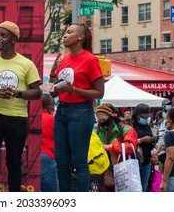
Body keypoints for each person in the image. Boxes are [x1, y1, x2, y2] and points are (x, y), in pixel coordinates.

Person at [0, 21, 41, 192]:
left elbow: (37, 93)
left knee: (14, 163)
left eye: (3, 35)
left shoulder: (26, 64)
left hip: (17, 119)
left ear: (13, 40)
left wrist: (17, 93)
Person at [49, 23, 104, 192]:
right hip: (62, 110)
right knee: (61, 161)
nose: (65, 35)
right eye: (65, 32)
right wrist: (52, 74)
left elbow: (99, 92)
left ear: (80, 37)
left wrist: (73, 89)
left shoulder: (90, 59)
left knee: (79, 162)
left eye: (69, 32)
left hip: (81, 111)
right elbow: (53, 93)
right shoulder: (63, 59)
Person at [95, 103, 138, 192]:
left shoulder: (127, 129)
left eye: (103, 119)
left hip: (123, 170)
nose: (101, 122)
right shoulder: (99, 131)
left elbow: (130, 148)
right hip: (103, 172)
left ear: (112, 117)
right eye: (99, 120)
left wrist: (110, 147)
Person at [132, 103, 156, 192]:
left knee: (144, 186)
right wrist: (141, 140)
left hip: (146, 161)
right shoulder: (131, 126)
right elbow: (127, 143)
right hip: (134, 162)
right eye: (143, 117)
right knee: (134, 187)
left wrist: (153, 140)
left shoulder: (147, 126)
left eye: (147, 117)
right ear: (137, 115)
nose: (145, 119)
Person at [41, 93, 58, 192]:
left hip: (28, 157)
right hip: (47, 156)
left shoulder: (28, 118)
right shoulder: (52, 119)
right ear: (50, 107)